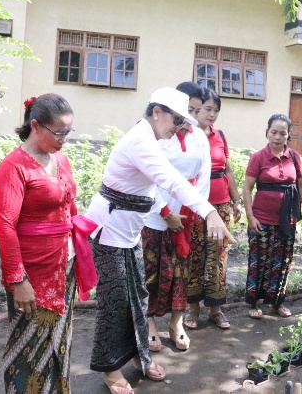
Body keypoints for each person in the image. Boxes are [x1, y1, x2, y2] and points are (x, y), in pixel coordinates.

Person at [85, 87, 234, 394]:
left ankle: (139, 355)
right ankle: (110, 369)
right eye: (176, 120)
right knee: (114, 300)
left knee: (138, 296)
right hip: (109, 230)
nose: (178, 128)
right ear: (157, 112)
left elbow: (163, 186)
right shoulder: (141, 141)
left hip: (128, 230)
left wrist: (196, 213)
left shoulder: (152, 138)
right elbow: (171, 180)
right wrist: (209, 213)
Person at [0, 94, 96, 393]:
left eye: (68, 131)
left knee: (60, 341)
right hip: (32, 273)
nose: (64, 138)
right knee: (29, 348)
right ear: (35, 126)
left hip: (64, 265)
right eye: (59, 132)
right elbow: (5, 227)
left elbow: (69, 205)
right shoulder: (13, 168)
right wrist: (17, 279)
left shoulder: (60, 159)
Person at [142, 82, 210, 351]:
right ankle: (149, 324)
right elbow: (147, 178)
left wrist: (193, 211)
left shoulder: (199, 137)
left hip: (186, 216)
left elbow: (203, 177)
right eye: (187, 110)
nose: (189, 117)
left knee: (182, 271)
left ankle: (176, 322)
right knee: (152, 271)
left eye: (196, 110)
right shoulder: (158, 135)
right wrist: (166, 212)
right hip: (156, 215)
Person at [184, 88, 242, 330]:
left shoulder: (220, 136)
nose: (212, 115)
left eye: (216, 110)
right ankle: (193, 310)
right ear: (197, 109)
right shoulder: (188, 135)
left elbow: (227, 170)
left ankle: (216, 311)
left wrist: (236, 200)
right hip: (196, 205)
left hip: (221, 205)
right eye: (208, 109)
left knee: (218, 257)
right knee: (194, 256)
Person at [243, 114, 302, 319]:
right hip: (261, 219)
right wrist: (250, 216)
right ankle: (254, 303)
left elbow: (301, 185)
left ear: (288, 134)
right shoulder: (258, 157)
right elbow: (247, 188)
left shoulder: (294, 157)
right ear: (267, 132)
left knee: (282, 262)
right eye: (274, 132)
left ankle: (277, 303)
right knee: (259, 262)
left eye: (282, 133)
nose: (278, 137)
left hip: (287, 220)